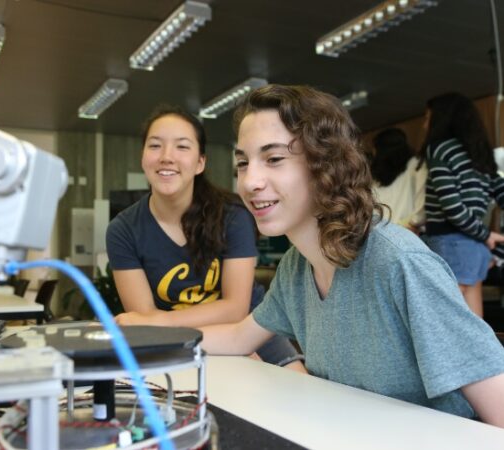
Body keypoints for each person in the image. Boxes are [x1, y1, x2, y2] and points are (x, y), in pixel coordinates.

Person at [199, 84, 504, 427]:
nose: (250, 181)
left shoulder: (399, 263)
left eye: (274, 159)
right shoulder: (296, 267)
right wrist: (138, 340)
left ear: (326, 164)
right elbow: (240, 337)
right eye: (242, 162)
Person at [106, 104, 305, 371]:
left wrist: (162, 322)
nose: (166, 156)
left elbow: (235, 309)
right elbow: (145, 323)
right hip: (176, 341)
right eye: (155, 146)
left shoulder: (233, 216)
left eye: (182, 146)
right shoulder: (123, 229)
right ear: (143, 158)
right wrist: (159, 324)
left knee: (298, 387)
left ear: (200, 163)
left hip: (250, 327)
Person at [422, 92, 504, 317]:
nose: (424, 125)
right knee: (475, 324)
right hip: (473, 247)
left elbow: (453, 209)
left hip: (452, 243)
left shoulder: (439, 149)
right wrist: (484, 235)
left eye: (428, 118)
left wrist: (487, 235)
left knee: (448, 321)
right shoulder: (480, 153)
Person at [370, 127, 427, 232]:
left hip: (384, 236)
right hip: (410, 232)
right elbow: (422, 206)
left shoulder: (374, 178)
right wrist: (413, 223)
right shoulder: (416, 165)